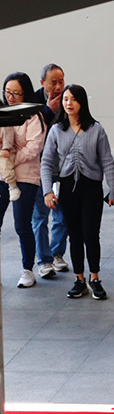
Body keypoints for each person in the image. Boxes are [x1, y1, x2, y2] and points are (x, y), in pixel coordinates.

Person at [40, 84, 114, 301]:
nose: (69, 103)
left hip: (92, 188)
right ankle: (79, 279)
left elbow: (107, 161)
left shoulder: (96, 129)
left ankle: (95, 278)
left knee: (91, 234)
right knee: (74, 235)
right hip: (67, 189)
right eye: (65, 99)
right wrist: (47, 191)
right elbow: (46, 162)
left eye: (73, 99)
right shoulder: (56, 130)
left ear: (82, 102)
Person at [0, 72, 51, 287]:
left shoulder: (34, 116)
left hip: (26, 176)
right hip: (2, 175)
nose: (11, 98)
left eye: (16, 93)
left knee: (22, 225)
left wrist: (10, 158)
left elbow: (33, 148)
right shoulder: (2, 114)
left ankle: (27, 270)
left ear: (26, 94)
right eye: (8, 93)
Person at [34, 63, 67, 278]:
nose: (58, 87)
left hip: (63, 168)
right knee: (40, 215)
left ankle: (57, 254)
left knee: (62, 214)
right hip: (39, 169)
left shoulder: (68, 99)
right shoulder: (34, 101)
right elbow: (33, 134)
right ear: (42, 83)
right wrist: (48, 111)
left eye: (61, 81)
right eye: (53, 82)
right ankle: (44, 260)